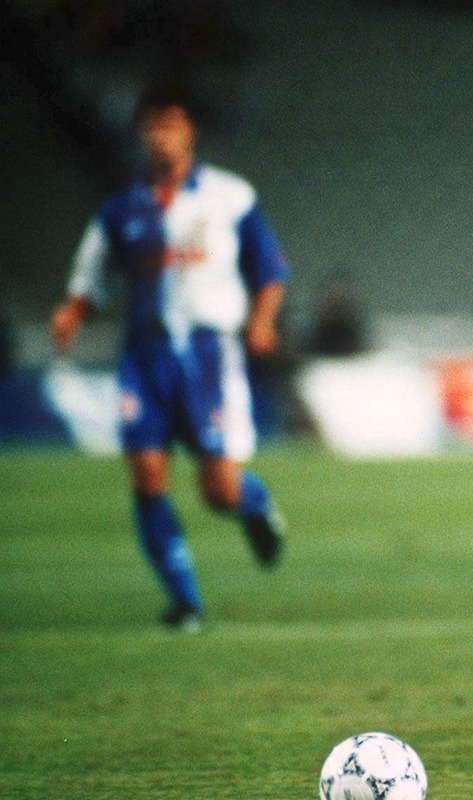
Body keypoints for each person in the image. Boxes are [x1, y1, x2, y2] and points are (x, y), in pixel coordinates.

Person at [50, 84, 290, 633]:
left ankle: (253, 503)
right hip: (146, 353)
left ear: (190, 131)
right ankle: (186, 603)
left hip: (208, 352)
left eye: (172, 124)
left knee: (218, 490)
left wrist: (261, 321)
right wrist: (72, 312)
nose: (162, 135)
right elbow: (91, 276)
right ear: (142, 134)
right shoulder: (121, 210)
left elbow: (270, 268)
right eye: (153, 125)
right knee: (147, 474)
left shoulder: (230, 196)